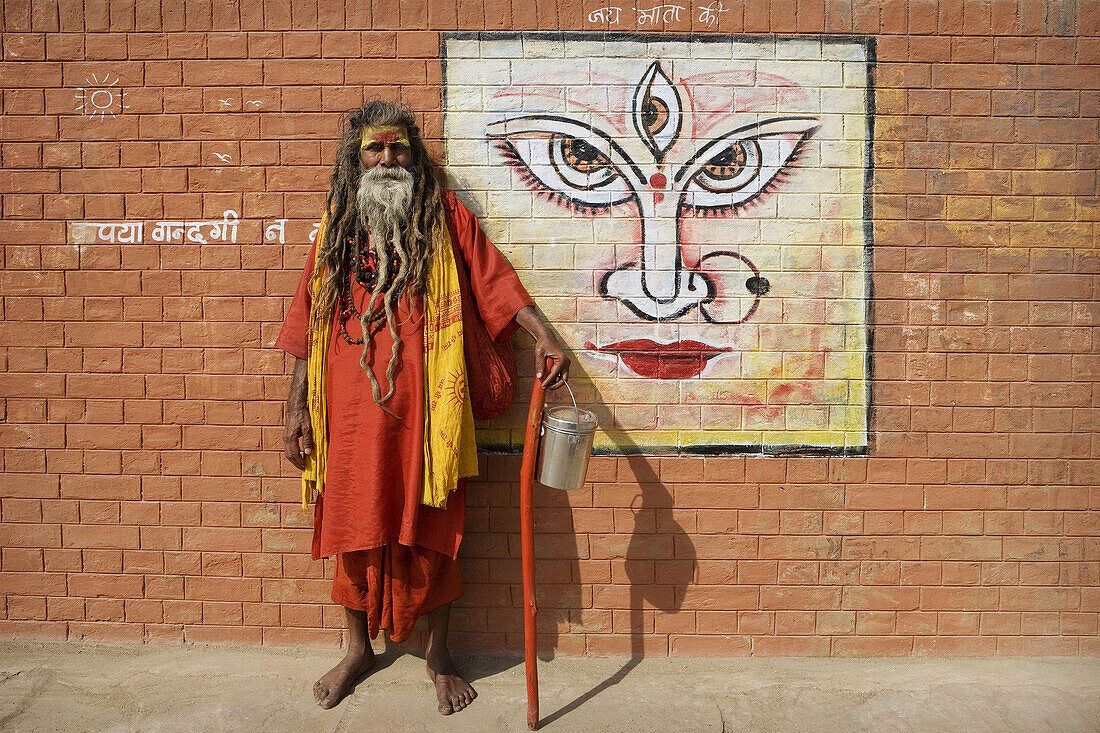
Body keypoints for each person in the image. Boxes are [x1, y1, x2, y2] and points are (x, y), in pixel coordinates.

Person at [275, 100, 569, 714]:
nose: (389, 160)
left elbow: (495, 283)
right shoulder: (339, 225)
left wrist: (544, 335)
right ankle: (357, 649)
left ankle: (439, 655)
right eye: (375, 150)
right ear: (356, 160)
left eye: (399, 148)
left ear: (415, 154)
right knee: (349, 528)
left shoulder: (446, 215)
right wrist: (297, 405)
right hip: (349, 417)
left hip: (429, 414)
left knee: (434, 530)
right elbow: (308, 316)